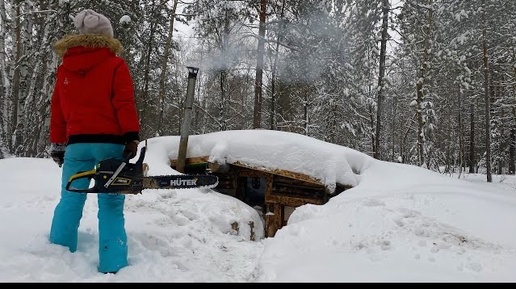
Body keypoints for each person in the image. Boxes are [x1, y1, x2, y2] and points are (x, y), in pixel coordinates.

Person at [48, 9, 140, 274]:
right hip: (110, 144)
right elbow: (123, 103)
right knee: (110, 204)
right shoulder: (115, 65)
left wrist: (58, 143)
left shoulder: (65, 68)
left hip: (76, 145)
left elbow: (59, 109)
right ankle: (113, 265)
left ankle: (56, 261)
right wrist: (130, 136)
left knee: (69, 199)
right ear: (106, 37)